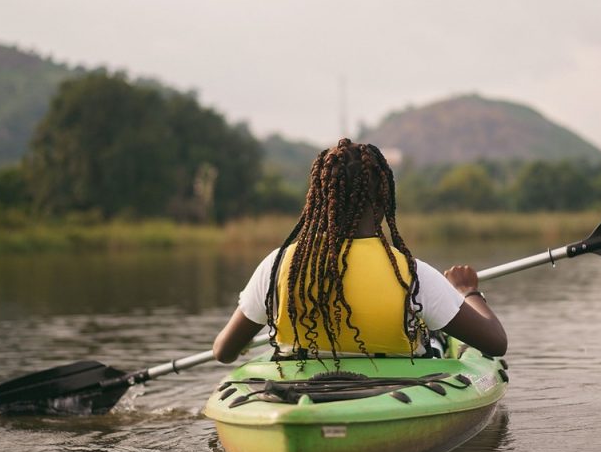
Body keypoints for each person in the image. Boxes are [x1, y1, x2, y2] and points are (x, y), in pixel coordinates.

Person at [213, 138, 506, 364]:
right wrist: (467, 291)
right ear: (384, 199)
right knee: (435, 337)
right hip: (396, 391)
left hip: (297, 386)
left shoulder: (277, 266)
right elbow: (495, 343)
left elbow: (223, 351)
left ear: (318, 200)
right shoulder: (412, 275)